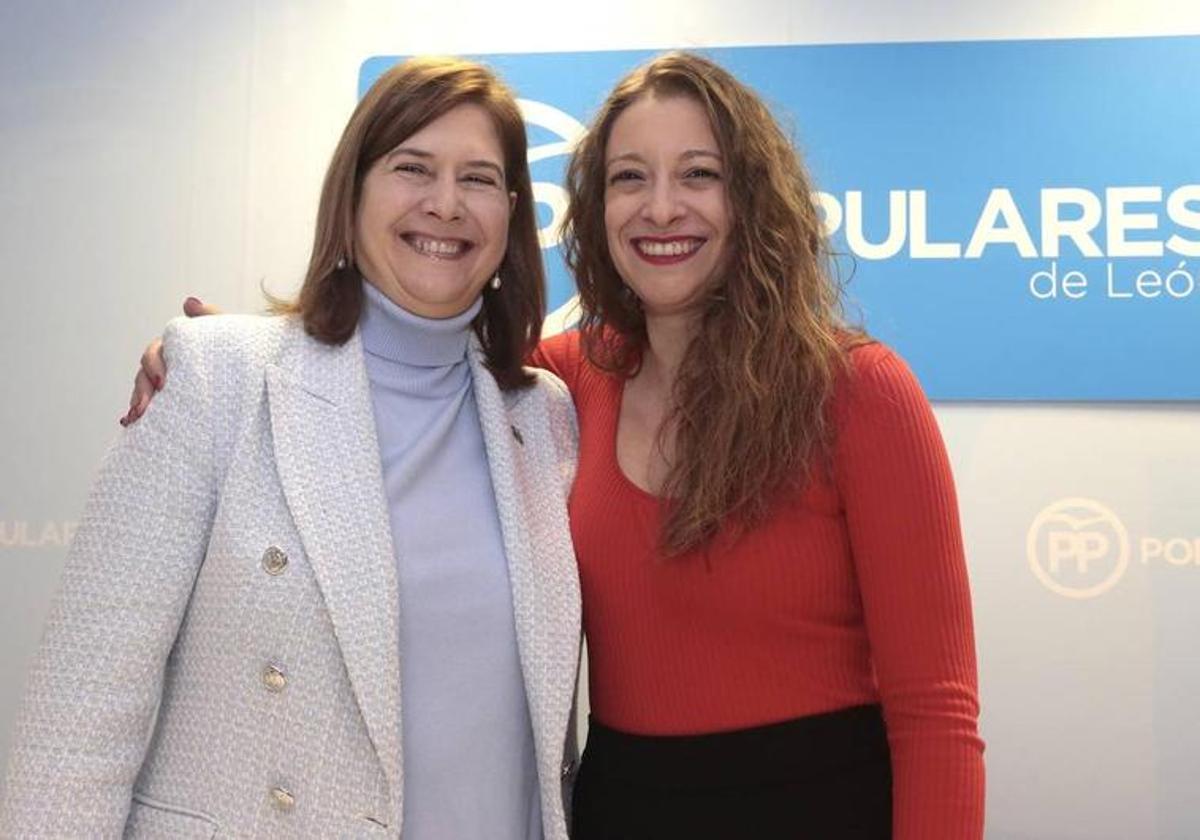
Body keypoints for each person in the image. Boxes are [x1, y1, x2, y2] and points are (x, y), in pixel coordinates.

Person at [120, 51, 986, 839]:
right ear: (596, 205)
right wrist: (216, 354)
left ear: (752, 199)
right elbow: (394, 345)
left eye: (700, 175)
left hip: (821, 809)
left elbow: (937, 714)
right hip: (620, 807)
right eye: (629, 178)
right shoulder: (563, 381)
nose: (661, 208)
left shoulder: (859, 392)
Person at [0, 57, 581, 840]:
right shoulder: (217, 378)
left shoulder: (543, 419)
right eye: (413, 168)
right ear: (353, 193)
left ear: (512, 213)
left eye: (477, 179)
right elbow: (79, 720)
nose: (445, 205)